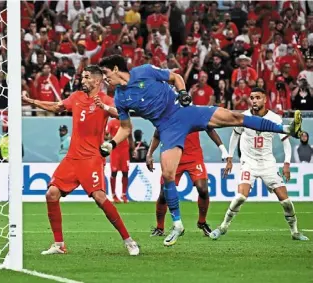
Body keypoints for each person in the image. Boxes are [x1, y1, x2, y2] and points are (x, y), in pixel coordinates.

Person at [98, 55, 302, 247]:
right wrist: (112, 144)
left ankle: (285, 128)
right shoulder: (120, 97)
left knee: (235, 117)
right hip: (168, 128)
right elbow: (125, 128)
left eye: (105, 73)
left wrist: (183, 93)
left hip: (186, 111)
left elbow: (175, 77)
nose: (105, 78)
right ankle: (177, 224)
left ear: (116, 69)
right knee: (168, 174)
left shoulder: (144, 71)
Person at [22, 65, 139, 256]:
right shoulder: (76, 97)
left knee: (100, 198)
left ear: (97, 81)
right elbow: (57, 106)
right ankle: (59, 244)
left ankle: (129, 241)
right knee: (51, 194)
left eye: (86, 77)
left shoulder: (106, 100)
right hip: (72, 158)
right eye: (82, 77)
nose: (82, 80)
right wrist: (31, 101)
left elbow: (124, 117)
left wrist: (106, 108)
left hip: (91, 158)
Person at [210, 88, 308, 241]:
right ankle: (222, 227)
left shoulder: (275, 118)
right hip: (248, 162)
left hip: (268, 163)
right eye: (251, 98)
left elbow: (285, 142)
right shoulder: (244, 117)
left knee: (286, 201)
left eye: (257, 97)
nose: (254, 100)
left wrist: (287, 163)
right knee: (241, 197)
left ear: (264, 100)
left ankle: (295, 232)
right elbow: (235, 136)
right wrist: (229, 158)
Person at [146, 130, 227, 237]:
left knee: (203, 189)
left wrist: (223, 149)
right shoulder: (166, 115)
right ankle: (160, 228)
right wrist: (149, 154)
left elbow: (209, 128)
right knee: (163, 194)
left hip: (194, 157)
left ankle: (202, 222)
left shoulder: (195, 113)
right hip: (173, 157)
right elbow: (156, 135)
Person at [105, 118, 133, 203]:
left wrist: (133, 148)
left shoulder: (127, 122)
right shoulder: (112, 122)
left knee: (125, 172)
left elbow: (130, 136)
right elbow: (105, 135)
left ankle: (124, 194)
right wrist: (109, 139)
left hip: (124, 150)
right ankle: (113, 195)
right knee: (114, 172)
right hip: (115, 150)